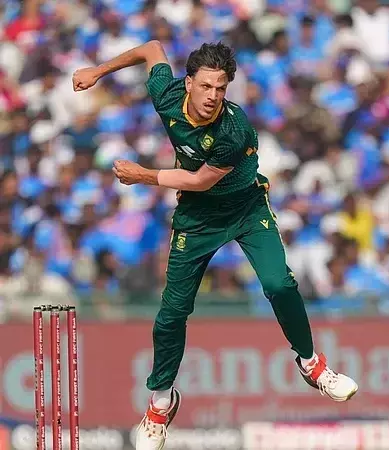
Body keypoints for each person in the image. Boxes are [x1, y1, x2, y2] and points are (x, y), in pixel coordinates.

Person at [72, 40, 358, 449]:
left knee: (279, 284)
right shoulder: (167, 95)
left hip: (245, 208)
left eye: (221, 88)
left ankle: (312, 364)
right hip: (198, 217)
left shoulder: (233, 129)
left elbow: (199, 180)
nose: (212, 96)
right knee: (171, 314)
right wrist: (98, 71)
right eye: (206, 86)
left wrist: (143, 175)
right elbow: (152, 49)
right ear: (188, 83)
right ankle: (160, 403)